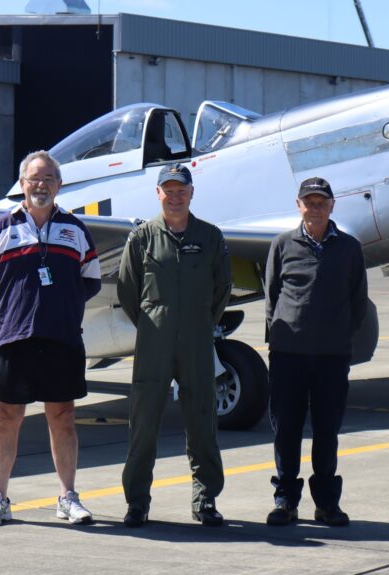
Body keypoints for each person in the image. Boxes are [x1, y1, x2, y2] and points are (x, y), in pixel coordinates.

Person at [0, 150, 101, 526]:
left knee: (63, 416)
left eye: (48, 179)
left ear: (58, 186)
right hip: (15, 339)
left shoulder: (76, 230)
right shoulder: (0, 229)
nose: (40, 185)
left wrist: (61, 306)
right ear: (22, 185)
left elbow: (90, 281)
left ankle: (68, 498)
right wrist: (16, 308)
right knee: (6, 417)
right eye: (34, 179)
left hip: (62, 338)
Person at [117, 163, 232, 527]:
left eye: (181, 188)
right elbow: (127, 289)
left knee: (202, 420)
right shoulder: (142, 238)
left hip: (197, 339)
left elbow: (222, 289)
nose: (175, 195)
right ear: (158, 193)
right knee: (144, 423)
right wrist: (156, 322)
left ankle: (206, 500)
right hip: (154, 340)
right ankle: (137, 502)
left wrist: (198, 322)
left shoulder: (211, 237)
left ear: (191, 192)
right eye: (168, 189)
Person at [263, 177, 368, 527]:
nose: (315, 207)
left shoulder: (350, 248)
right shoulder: (282, 244)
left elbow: (358, 301)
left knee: (327, 430)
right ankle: (285, 502)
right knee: (286, 431)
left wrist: (337, 337)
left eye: (321, 201)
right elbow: (272, 296)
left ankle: (326, 503)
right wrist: (280, 340)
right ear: (299, 205)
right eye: (309, 201)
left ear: (332, 205)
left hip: (331, 357)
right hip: (288, 356)